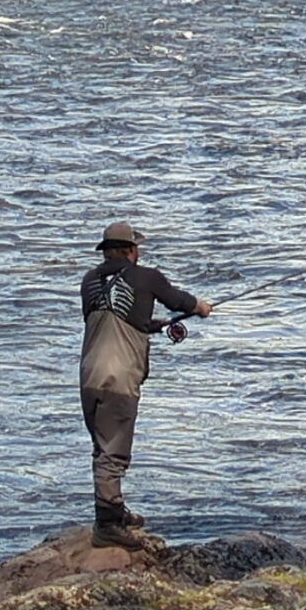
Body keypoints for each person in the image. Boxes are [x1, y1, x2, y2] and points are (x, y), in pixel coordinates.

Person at [78, 219, 210, 530]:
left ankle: (115, 508)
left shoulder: (89, 281)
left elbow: (114, 318)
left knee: (102, 445)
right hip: (118, 378)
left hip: (88, 376)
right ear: (130, 250)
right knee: (114, 453)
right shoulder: (146, 277)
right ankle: (108, 528)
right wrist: (200, 307)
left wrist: (155, 324)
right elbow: (179, 300)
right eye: (136, 246)